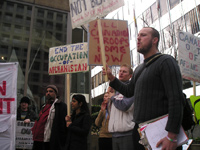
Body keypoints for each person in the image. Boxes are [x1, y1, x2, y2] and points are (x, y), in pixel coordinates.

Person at [103, 27, 184, 150]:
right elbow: (129, 91)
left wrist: (172, 136)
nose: (138, 38)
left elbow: (176, 99)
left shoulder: (166, 62)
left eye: (143, 35)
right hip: (141, 132)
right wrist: (112, 78)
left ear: (154, 40)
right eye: (138, 36)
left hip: (162, 133)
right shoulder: (139, 69)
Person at [31, 85, 67, 150]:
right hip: (38, 138)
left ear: (55, 93)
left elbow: (62, 124)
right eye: (47, 91)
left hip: (49, 139)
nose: (48, 93)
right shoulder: (44, 105)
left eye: (51, 91)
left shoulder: (61, 106)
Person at [108, 64, 135, 150]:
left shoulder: (132, 89)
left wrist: (112, 97)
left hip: (127, 135)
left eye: (124, 71)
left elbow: (125, 106)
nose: (121, 73)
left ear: (130, 76)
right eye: (120, 71)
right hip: (115, 134)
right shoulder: (115, 91)